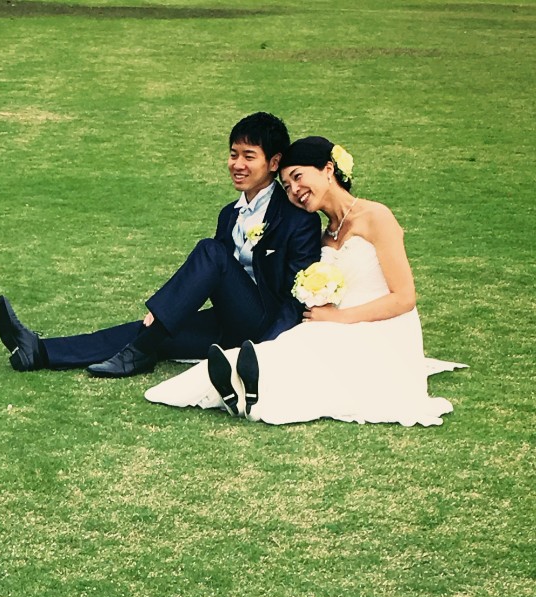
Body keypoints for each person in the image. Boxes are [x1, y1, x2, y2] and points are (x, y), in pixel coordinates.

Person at [145, 136, 463, 426]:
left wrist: (338, 318)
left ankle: (249, 390)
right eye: (286, 186)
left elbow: (404, 298)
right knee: (292, 345)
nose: (294, 190)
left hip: (382, 325)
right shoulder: (324, 234)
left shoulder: (376, 217)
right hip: (332, 322)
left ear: (328, 169)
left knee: (308, 354)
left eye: (298, 177)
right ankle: (240, 388)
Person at [0, 112, 320, 378]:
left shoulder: (298, 220)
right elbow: (214, 281)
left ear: (274, 162)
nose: (237, 164)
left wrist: (269, 348)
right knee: (149, 331)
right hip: (226, 324)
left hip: (263, 326)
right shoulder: (229, 214)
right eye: (233, 154)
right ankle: (39, 351)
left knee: (210, 252)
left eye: (249, 156)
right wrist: (169, 314)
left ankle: (141, 350)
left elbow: (293, 298)